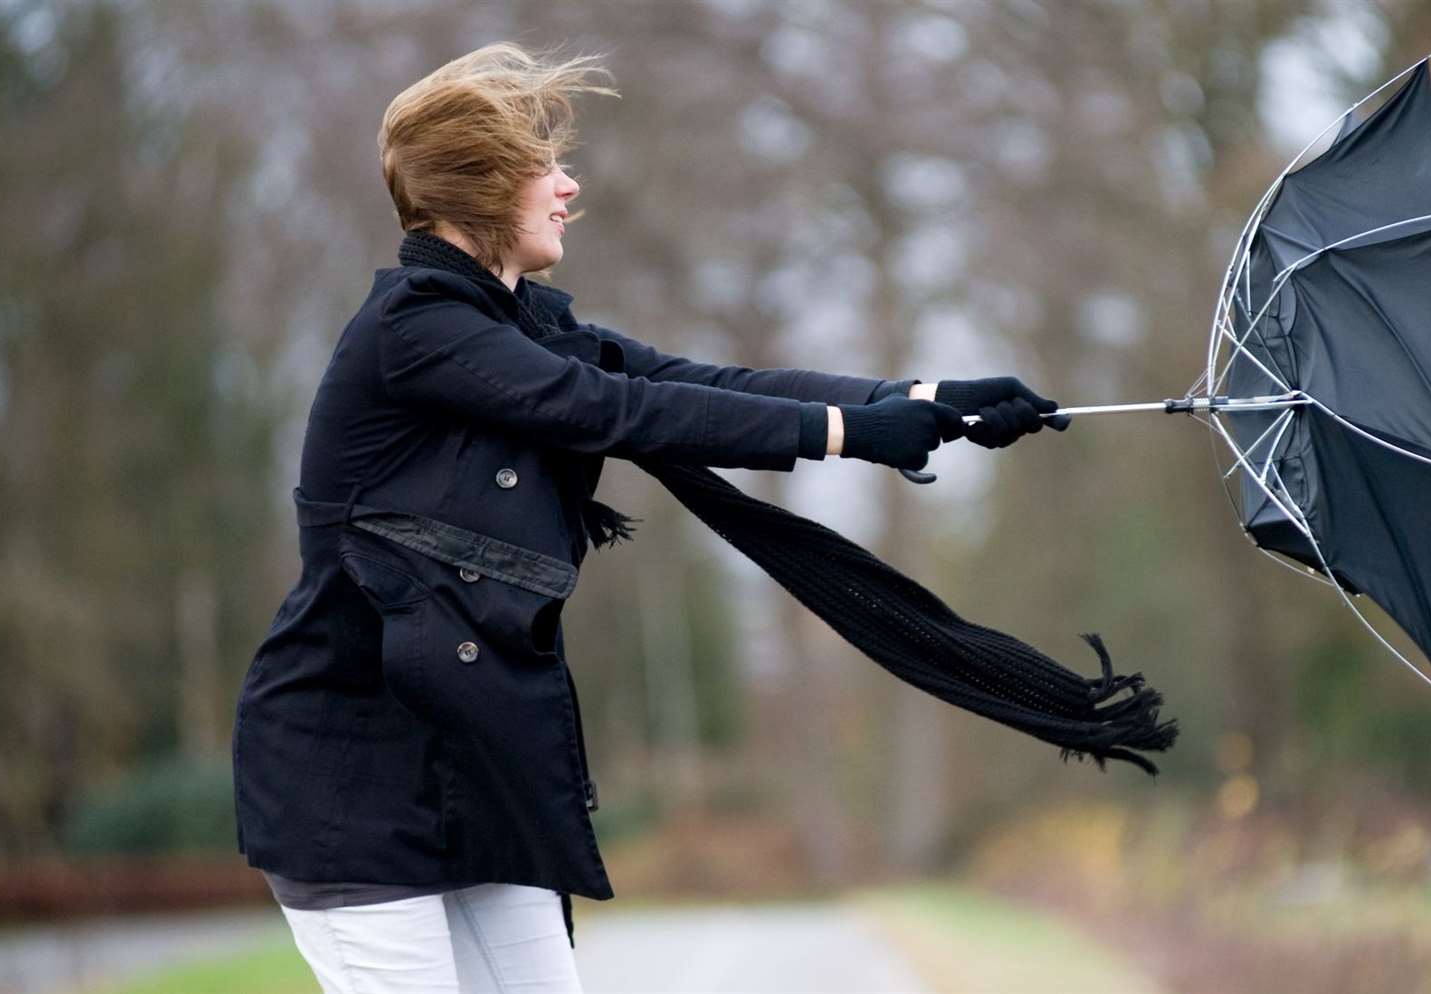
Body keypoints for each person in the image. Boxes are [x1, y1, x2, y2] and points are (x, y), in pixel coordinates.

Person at [231, 41, 1068, 993]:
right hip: (351, 775)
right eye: (544, 167)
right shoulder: (415, 330)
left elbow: (690, 381)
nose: (568, 186)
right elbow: (615, 413)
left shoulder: (523, 321)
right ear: (483, 185)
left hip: (476, 763)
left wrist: (924, 396)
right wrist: (851, 434)